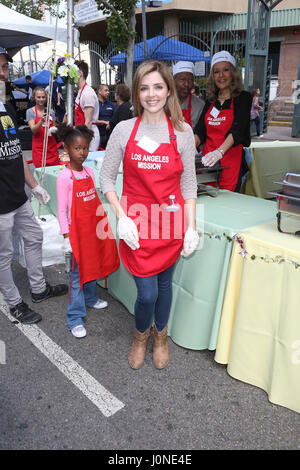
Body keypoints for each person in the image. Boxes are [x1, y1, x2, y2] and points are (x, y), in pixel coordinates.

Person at [100, 60, 199, 370]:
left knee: (165, 285)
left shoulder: (182, 133)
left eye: (158, 87)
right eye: (144, 88)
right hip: (136, 224)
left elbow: (189, 184)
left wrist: (191, 227)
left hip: (171, 223)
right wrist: (120, 215)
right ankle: (140, 336)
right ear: (136, 92)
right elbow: (105, 178)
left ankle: (160, 337)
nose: (151, 94)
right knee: (146, 293)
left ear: (168, 90)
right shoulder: (123, 130)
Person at [0, 47, 68, 324]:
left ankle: (38, 289)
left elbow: (17, 154)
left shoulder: (5, 108)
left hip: (19, 196)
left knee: (35, 237)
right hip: (1, 204)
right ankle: (15, 302)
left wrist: (35, 185)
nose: (2, 73)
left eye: (4, 67)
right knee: (3, 256)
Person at [56, 124, 119, 338]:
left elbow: (96, 202)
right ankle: (74, 317)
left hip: (93, 231)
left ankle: (90, 298)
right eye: (77, 148)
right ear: (67, 149)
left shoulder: (90, 172)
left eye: (85, 148)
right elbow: (62, 210)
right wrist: (66, 236)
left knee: (93, 266)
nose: (82, 153)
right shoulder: (65, 178)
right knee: (76, 276)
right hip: (76, 235)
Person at [194, 50, 252, 192]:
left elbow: (237, 130)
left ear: (233, 73)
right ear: (212, 76)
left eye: (225, 70)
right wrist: (189, 147)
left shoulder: (243, 98)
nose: (221, 75)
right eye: (216, 72)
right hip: (208, 163)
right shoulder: (210, 101)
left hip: (231, 161)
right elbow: (200, 130)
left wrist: (219, 152)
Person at [26, 87, 60, 168]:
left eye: (43, 97)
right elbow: (34, 130)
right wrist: (41, 120)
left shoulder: (50, 111)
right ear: (34, 97)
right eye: (38, 97)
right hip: (39, 149)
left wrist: (58, 129)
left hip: (51, 147)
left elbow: (54, 127)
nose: (41, 99)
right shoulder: (30, 112)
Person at [173, 61, 205, 146]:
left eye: (190, 80)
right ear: (174, 80)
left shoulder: (200, 105)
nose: (186, 84)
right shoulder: (164, 103)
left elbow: (201, 133)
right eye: (182, 79)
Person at [74, 60, 100, 151]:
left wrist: (84, 142)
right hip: (81, 133)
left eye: (72, 72)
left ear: (80, 73)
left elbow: (88, 122)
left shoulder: (87, 93)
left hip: (88, 135)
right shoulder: (81, 91)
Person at [96, 84, 115, 149]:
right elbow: (92, 120)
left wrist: (110, 123)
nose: (108, 92)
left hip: (109, 135)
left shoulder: (111, 104)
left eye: (108, 91)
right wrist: (105, 122)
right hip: (97, 134)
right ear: (99, 91)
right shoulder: (94, 103)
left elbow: (115, 118)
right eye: (106, 90)